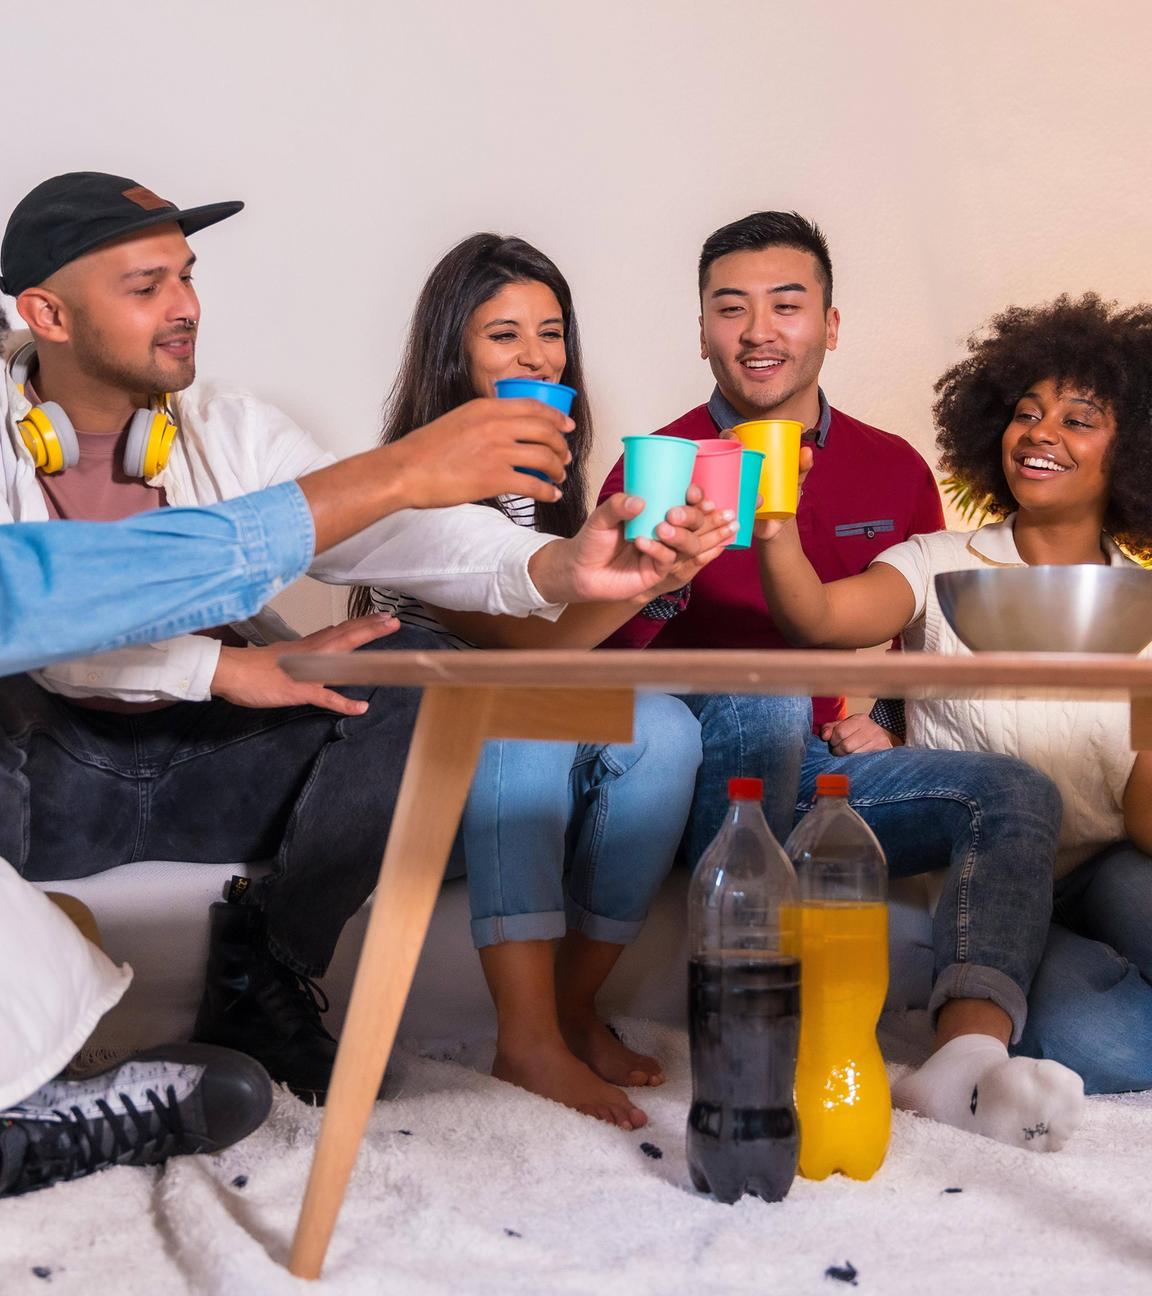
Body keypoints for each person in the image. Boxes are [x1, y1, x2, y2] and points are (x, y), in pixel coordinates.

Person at [0, 176, 717, 1105]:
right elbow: (32, 610)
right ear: (46, 313)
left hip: (210, 771)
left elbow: (396, 530)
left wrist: (561, 572)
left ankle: (266, 973)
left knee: (425, 672)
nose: (186, 309)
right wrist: (220, 668)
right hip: (47, 769)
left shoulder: (232, 428)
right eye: (147, 289)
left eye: (187, 277)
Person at [597, 212, 1078, 1151]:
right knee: (766, 694)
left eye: (787, 304)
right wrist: (661, 584)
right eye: (730, 309)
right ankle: (772, 1043)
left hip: (820, 766)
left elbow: (917, 625)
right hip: (705, 771)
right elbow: (603, 680)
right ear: (701, 332)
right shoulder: (660, 464)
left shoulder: (892, 467)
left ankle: (963, 1064)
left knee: (1015, 791)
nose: (758, 330)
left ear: (830, 322)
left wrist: (889, 718)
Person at [353, 234, 734, 1129]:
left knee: (667, 729)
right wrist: (642, 579)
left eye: (551, 332)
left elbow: (552, 645)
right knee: (517, 718)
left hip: (510, 708)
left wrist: (654, 572)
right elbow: (522, 650)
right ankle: (524, 1040)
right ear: (455, 354)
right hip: (422, 759)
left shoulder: (551, 485)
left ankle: (570, 1009)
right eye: (503, 336)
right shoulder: (420, 481)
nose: (536, 356)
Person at [755, 292, 1152, 1132]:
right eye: (1025, 413)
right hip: (995, 879)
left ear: (1134, 452)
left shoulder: (1145, 604)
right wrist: (776, 519)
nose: (1041, 433)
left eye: (1080, 419)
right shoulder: (935, 564)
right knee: (1104, 1047)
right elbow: (818, 620)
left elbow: (1145, 827)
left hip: (1116, 864)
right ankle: (987, 1037)